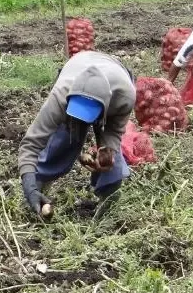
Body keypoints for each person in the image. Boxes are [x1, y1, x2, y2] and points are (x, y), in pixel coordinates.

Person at [18, 50, 136, 217]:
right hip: (78, 62)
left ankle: (108, 201)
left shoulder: (125, 97)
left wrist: (107, 151)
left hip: (116, 74)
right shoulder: (60, 97)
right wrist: (29, 185)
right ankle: (38, 187)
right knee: (63, 140)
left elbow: (114, 131)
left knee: (111, 161)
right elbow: (31, 143)